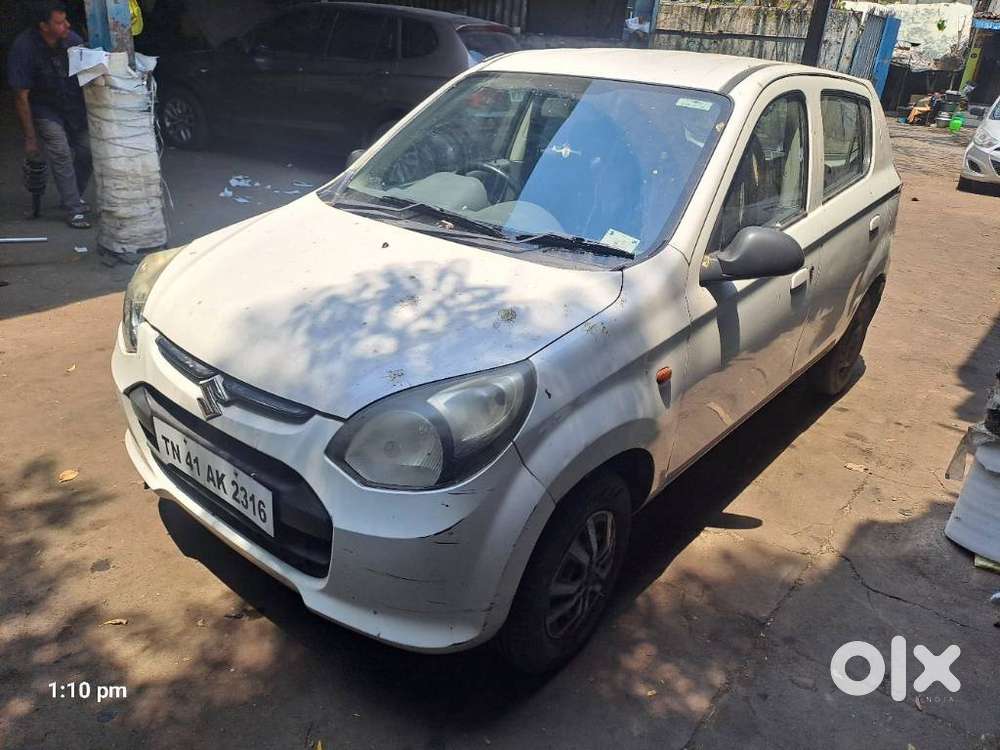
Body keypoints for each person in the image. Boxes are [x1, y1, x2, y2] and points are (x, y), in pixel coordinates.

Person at [7, 1, 92, 229]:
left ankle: (72, 196)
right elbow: (20, 95)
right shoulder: (23, 48)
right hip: (45, 109)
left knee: (88, 151)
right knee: (61, 151)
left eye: (66, 20)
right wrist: (30, 138)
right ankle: (74, 208)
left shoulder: (72, 40)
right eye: (60, 22)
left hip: (73, 107)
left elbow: (90, 72)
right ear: (43, 26)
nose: (67, 25)